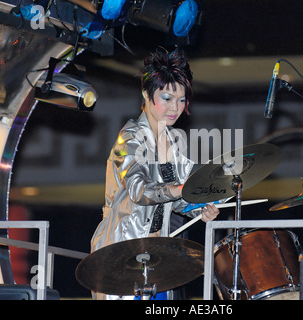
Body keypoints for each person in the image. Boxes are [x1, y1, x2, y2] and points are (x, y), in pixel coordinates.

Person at [90, 47, 220, 300]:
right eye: (167, 98)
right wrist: (180, 190)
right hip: (122, 251)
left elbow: (180, 196)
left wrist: (200, 208)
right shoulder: (130, 138)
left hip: (157, 256)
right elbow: (140, 190)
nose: (176, 108)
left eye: (182, 100)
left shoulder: (173, 141)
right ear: (147, 95)